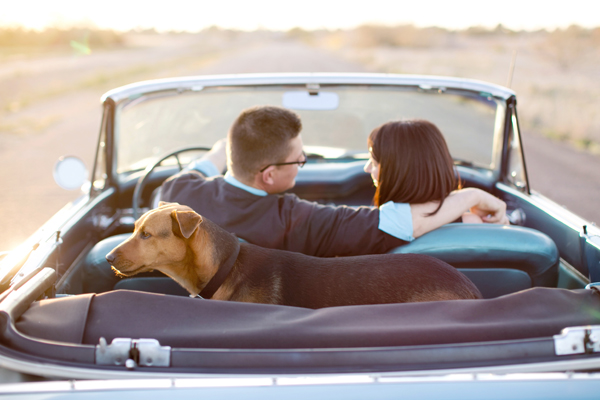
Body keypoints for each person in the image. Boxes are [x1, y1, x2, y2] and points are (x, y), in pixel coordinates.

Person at [159, 105, 507, 257]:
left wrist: (220, 153)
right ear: (269, 175)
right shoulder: (296, 221)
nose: (303, 164)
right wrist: (470, 196)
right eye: (300, 160)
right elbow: (400, 222)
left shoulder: (176, 194)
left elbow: (195, 173)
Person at [363, 119, 497, 224]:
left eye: (374, 163)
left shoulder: (379, 225)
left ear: (402, 172)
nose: (367, 168)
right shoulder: (471, 224)